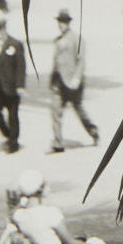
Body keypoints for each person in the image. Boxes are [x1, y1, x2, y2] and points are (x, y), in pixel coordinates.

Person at [50, 8, 99, 152]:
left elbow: (81, 60)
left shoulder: (76, 38)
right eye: (60, 22)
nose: (61, 25)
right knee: (55, 111)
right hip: (58, 82)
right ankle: (58, 143)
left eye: (64, 22)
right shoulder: (58, 40)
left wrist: (77, 78)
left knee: (79, 109)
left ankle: (93, 130)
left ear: (68, 23)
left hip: (72, 82)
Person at [0, 9, 26, 153]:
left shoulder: (15, 44)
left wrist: (20, 85)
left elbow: (21, 66)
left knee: (13, 115)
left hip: (11, 85)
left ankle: (13, 143)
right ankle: (9, 135)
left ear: (4, 28)